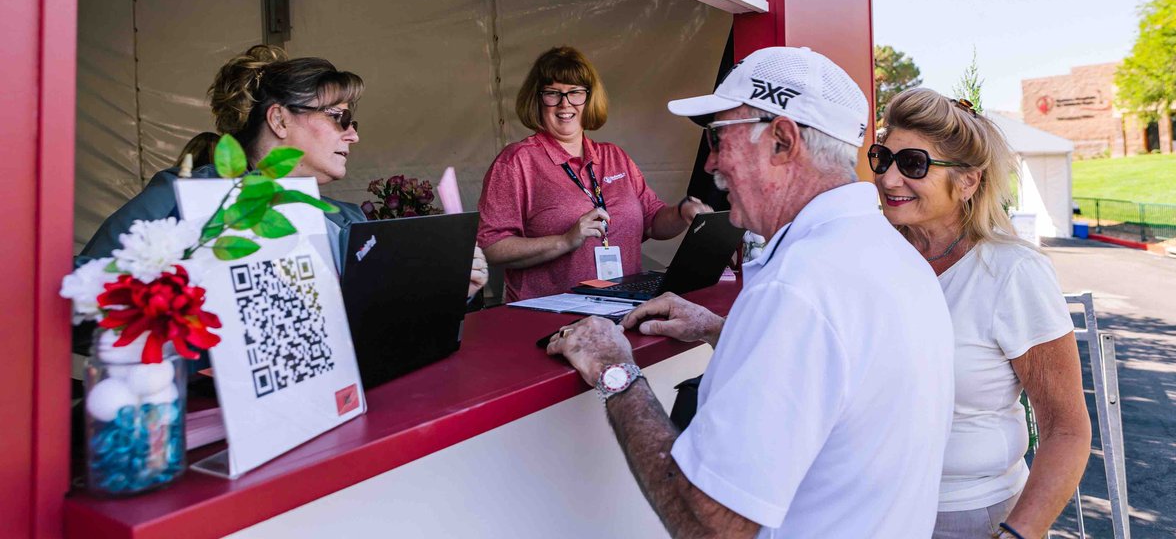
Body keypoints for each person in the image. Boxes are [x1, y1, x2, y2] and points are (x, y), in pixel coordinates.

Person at [546, 46, 955, 537]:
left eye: (720, 137)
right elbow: (839, 378)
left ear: (782, 142)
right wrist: (724, 329)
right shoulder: (895, 256)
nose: (713, 162)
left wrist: (615, 370)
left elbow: (712, 525)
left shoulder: (797, 290)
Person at [80, 45, 487, 297]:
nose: (352, 136)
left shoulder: (346, 219)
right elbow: (84, 295)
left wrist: (449, 289)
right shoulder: (185, 198)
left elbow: (379, 322)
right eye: (339, 118)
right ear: (279, 120)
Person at [872, 89, 1091, 539]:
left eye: (912, 164)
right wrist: (718, 328)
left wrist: (1018, 533)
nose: (889, 179)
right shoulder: (875, 256)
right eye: (882, 159)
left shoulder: (1013, 273)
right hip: (870, 509)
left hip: (969, 518)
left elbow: (1066, 430)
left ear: (968, 181)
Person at [477, 46, 709, 301]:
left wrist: (682, 212)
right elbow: (491, 247)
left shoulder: (615, 157)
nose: (565, 104)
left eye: (575, 92)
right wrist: (565, 241)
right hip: (549, 317)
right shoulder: (516, 161)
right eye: (553, 93)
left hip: (623, 307)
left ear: (589, 98)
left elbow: (653, 221)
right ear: (537, 99)